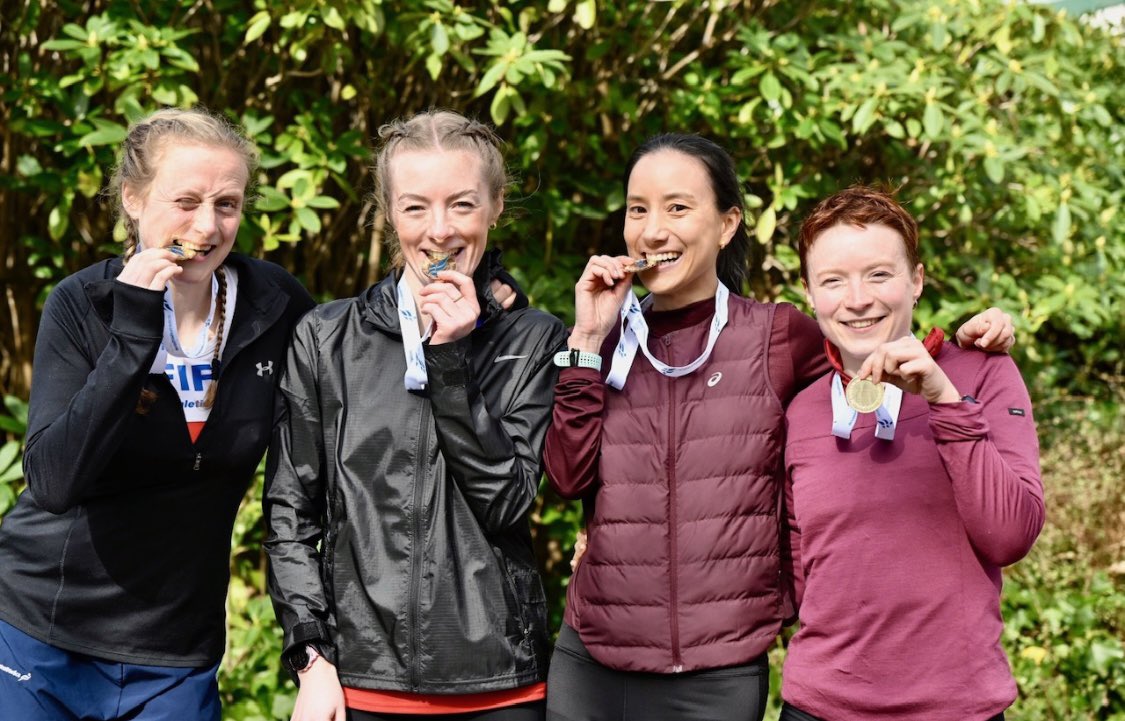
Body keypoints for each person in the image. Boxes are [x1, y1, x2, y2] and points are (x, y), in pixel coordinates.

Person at [542, 134, 1015, 721]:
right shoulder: (604, 339)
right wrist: (586, 339)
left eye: (678, 207)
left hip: (720, 665)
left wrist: (969, 337)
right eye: (638, 209)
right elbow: (566, 477)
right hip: (592, 657)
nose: (653, 229)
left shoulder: (777, 335)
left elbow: (869, 338)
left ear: (727, 223)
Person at [0, 107, 316, 720]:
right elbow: (55, 479)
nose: (207, 224)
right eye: (186, 200)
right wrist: (133, 334)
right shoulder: (82, 304)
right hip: (40, 630)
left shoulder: (274, 303)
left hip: (175, 649)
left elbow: (366, 343)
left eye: (227, 204)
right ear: (134, 199)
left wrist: (479, 282)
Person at [264, 109, 567, 721]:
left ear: (497, 205)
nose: (439, 230)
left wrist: (451, 360)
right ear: (387, 213)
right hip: (359, 685)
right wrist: (312, 662)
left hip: (501, 686)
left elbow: (508, 501)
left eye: (462, 204)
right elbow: (290, 514)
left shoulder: (533, 337)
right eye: (415, 208)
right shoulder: (326, 337)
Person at [779, 186, 1043, 721]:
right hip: (818, 707)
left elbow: (1010, 534)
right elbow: (797, 567)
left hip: (957, 708)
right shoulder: (801, 408)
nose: (857, 298)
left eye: (879, 274)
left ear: (916, 281)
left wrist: (946, 399)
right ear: (809, 293)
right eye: (833, 280)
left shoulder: (982, 372)